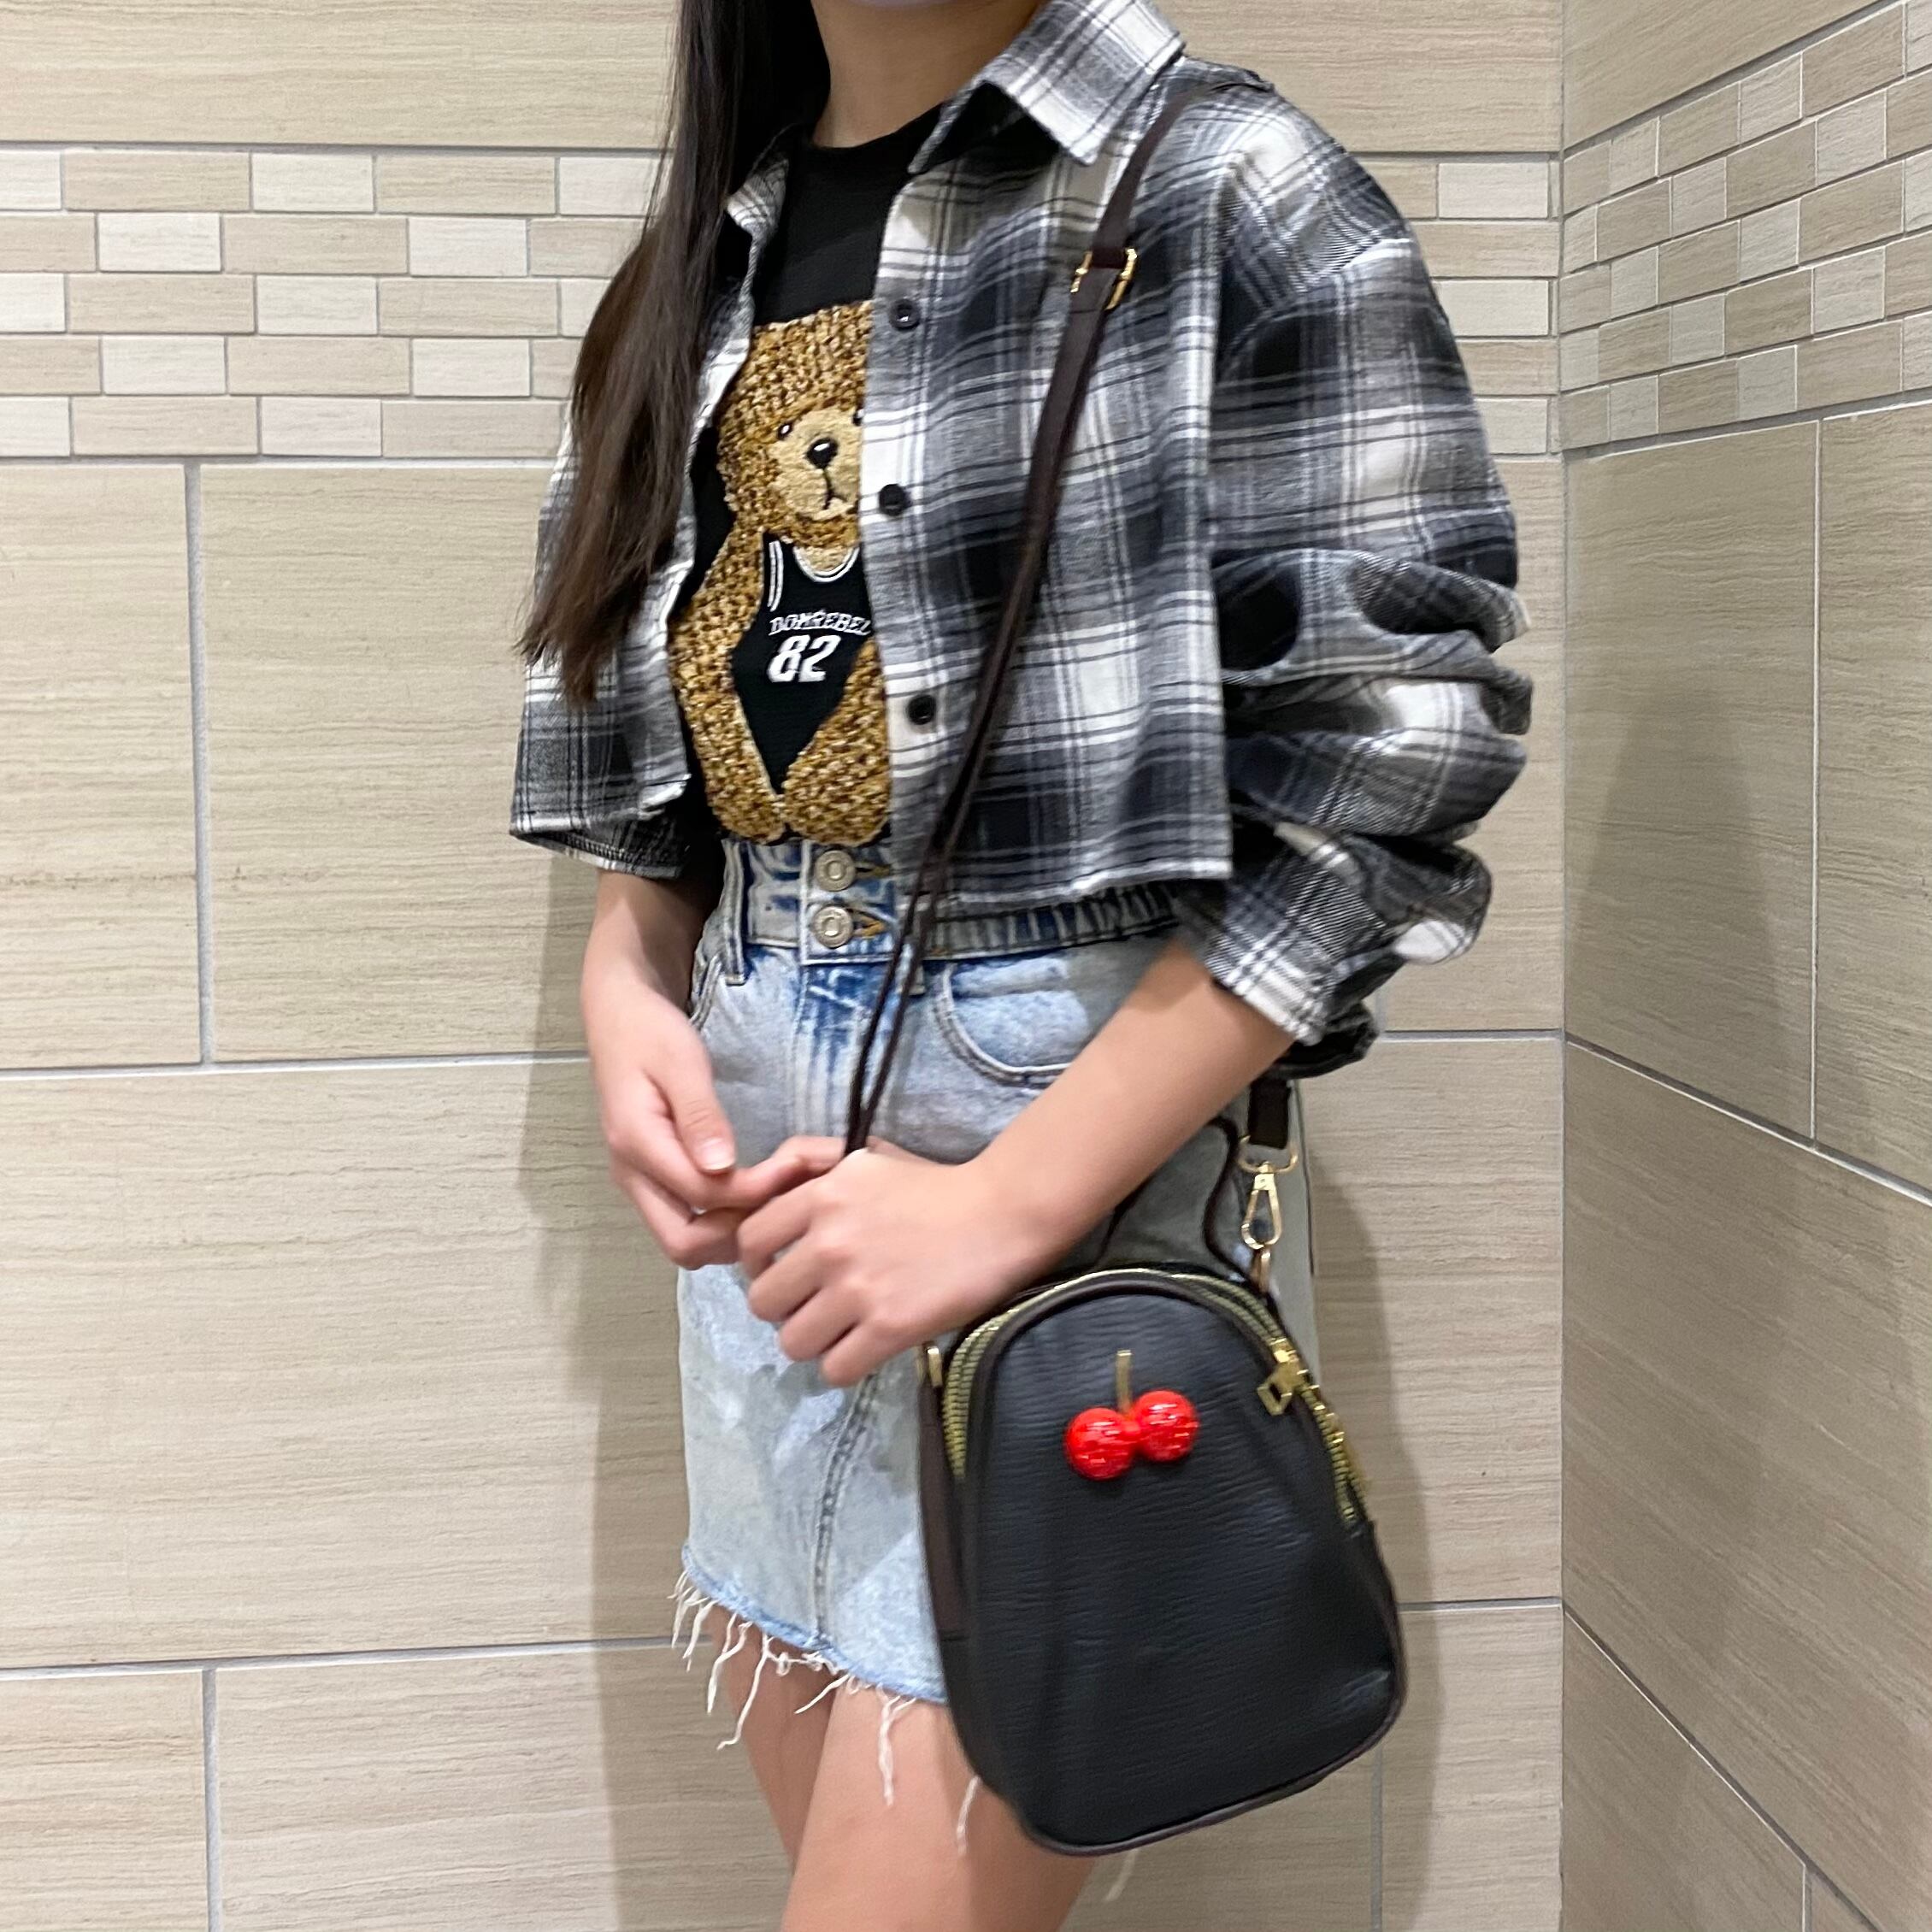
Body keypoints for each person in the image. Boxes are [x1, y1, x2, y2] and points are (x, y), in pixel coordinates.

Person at [510, 0, 1530, 1923]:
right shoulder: (700, 259)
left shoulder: (1226, 184)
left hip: (1060, 1158)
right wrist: (625, 973)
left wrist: (1011, 1199)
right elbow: (654, 719)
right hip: (762, 1191)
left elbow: (1389, 757)